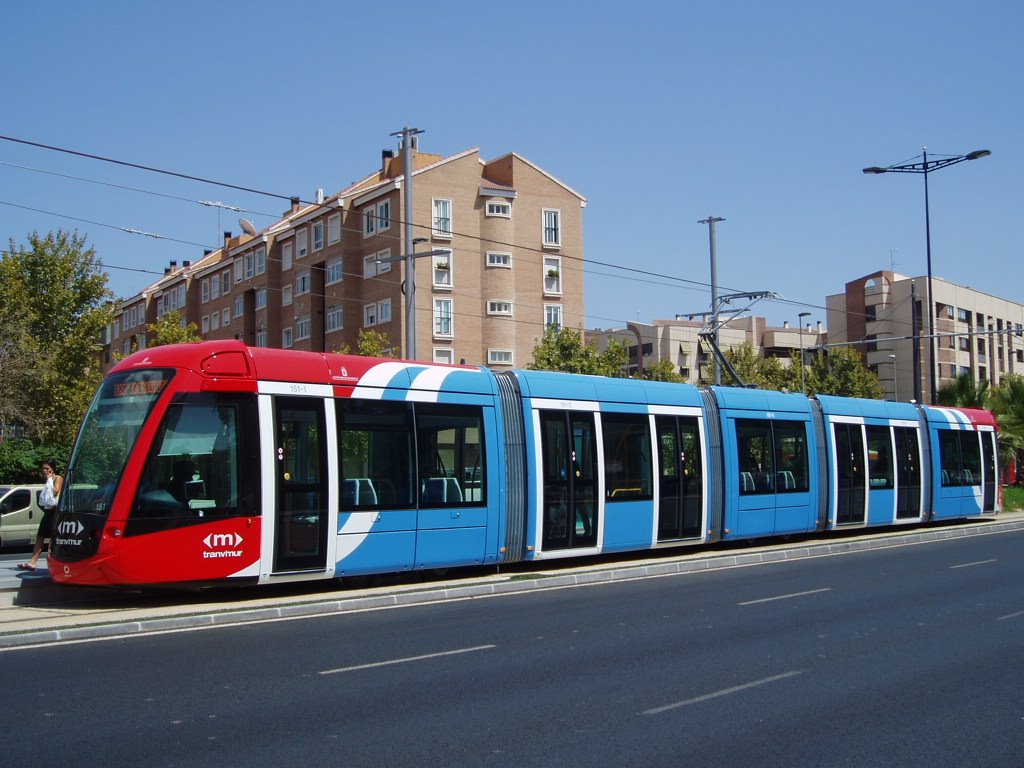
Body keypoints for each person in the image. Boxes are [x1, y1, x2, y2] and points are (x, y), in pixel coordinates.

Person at [18, 460, 63, 571]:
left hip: (55, 511)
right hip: (48, 511)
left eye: (47, 468)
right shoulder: (48, 480)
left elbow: (56, 492)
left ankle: (55, 562)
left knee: (54, 538)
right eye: (43, 469)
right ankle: (32, 562)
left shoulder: (58, 478)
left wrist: (49, 480)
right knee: (40, 536)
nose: (45, 471)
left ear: (53, 469)